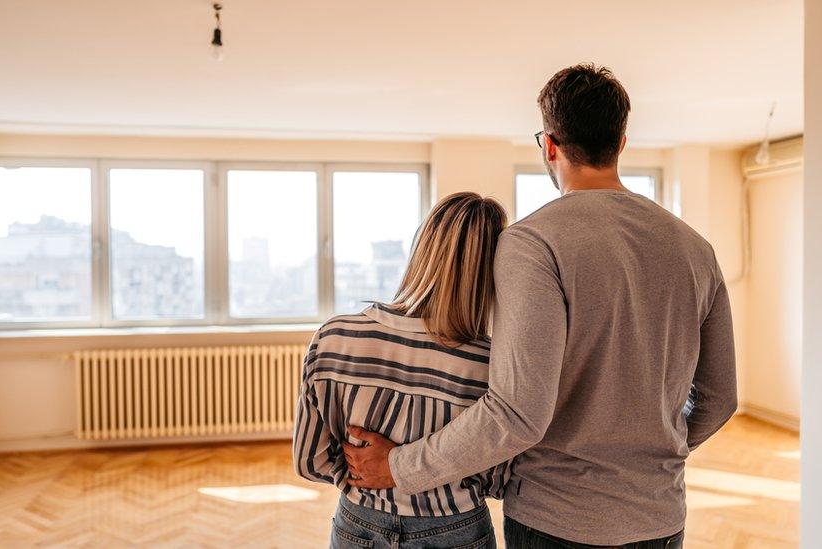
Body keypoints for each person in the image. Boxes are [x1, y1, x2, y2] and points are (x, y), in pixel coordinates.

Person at [343, 64, 738, 549]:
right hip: (661, 517)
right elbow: (721, 398)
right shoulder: (695, 249)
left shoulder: (533, 243)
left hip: (556, 520)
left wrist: (399, 467)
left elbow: (517, 413)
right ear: (620, 143)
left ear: (549, 144)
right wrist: (657, 452)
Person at [293, 192, 510, 548]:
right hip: (455, 530)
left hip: (358, 522)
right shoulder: (495, 363)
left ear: (421, 248)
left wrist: (371, 473)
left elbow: (310, 461)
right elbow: (499, 479)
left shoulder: (335, 337)